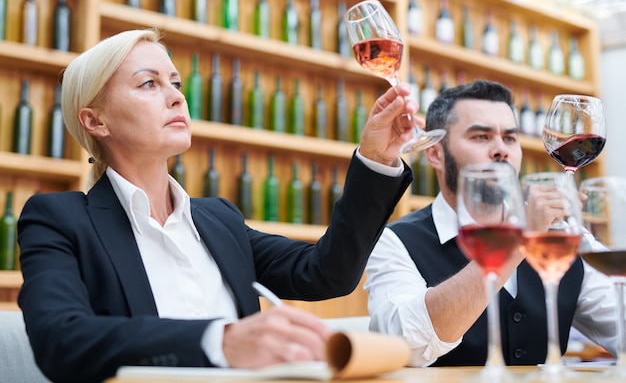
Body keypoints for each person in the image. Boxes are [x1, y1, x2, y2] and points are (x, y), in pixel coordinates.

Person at [17, 28, 416, 383]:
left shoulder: (218, 219)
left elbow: (327, 274)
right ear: (96, 121)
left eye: (175, 82)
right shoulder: (59, 219)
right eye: (148, 84)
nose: (176, 97)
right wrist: (222, 340)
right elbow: (61, 341)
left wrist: (376, 160)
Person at [364, 79, 618, 367]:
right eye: (481, 137)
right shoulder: (393, 242)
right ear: (435, 153)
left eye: (510, 138)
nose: (501, 150)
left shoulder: (563, 235)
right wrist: (522, 238)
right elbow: (406, 346)